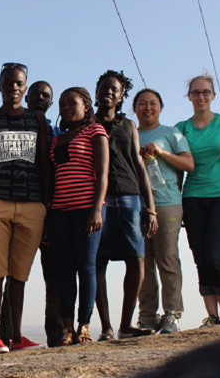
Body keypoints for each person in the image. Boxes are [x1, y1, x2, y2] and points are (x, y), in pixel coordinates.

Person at [0, 62, 48, 354]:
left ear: (25, 87)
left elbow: (43, 163)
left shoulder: (37, 120)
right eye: (8, 83)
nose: (13, 88)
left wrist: (45, 202)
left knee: (19, 275)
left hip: (32, 204)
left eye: (18, 83)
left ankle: (16, 337)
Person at [1, 80, 67, 347]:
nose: (41, 98)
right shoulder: (15, 125)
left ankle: (57, 333)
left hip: (52, 211)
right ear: (26, 97)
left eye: (46, 95)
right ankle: (7, 334)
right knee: (14, 274)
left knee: (54, 275)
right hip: (18, 205)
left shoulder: (58, 132)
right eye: (36, 94)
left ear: (51, 102)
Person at [93, 70, 157, 340]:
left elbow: (139, 165)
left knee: (137, 260)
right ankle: (106, 327)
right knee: (97, 262)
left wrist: (150, 206)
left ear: (121, 97)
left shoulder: (128, 125)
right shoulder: (87, 123)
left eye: (115, 90)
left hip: (130, 198)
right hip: (98, 201)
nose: (109, 92)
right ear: (96, 91)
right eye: (104, 88)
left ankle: (125, 324)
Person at [174, 74, 220, 326]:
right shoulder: (181, 128)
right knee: (200, 256)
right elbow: (179, 166)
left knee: (215, 254)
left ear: (213, 95)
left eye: (205, 92)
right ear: (189, 96)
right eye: (195, 92)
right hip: (192, 198)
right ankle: (212, 316)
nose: (200, 96)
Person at [48, 87, 109, 344]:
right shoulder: (57, 138)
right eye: (62, 104)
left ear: (86, 106)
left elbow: (103, 173)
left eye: (72, 103)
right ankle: (67, 328)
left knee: (87, 267)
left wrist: (97, 208)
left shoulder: (96, 132)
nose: (66, 107)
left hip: (87, 209)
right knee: (64, 270)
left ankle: (84, 326)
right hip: (60, 211)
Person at [133, 88, 194, 334]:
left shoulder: (171, 133)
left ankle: (172, 314)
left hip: (167, 201)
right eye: (142, 104)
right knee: (142, 263)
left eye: (153, 103)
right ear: (134, 108)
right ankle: (147, 316)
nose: (148, 108)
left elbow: (189, 164)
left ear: (161, 107)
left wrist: (161, 152)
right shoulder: (130, 134)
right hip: (136, 205)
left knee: (167, 258)